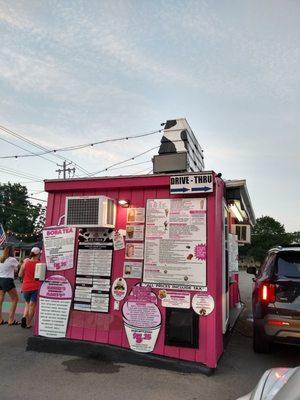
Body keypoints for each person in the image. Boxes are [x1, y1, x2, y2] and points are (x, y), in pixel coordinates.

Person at [18, 247, 41, 329]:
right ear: (38, 254)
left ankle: (24, 316)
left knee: (27, 303)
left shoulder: (26, 262)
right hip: (35, 287)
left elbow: (20, 275)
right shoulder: (40, 263)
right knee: (32, 306)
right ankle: (28, 323)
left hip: (26, 287)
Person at [0, 246, 20, 325]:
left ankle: (0, 320)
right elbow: (18, 267)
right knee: (15, 299)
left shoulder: (1, 259)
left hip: (0, 279)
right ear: (12, 252)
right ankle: (11, 320)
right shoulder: (12, 259)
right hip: (7, 280)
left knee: (0, 300)